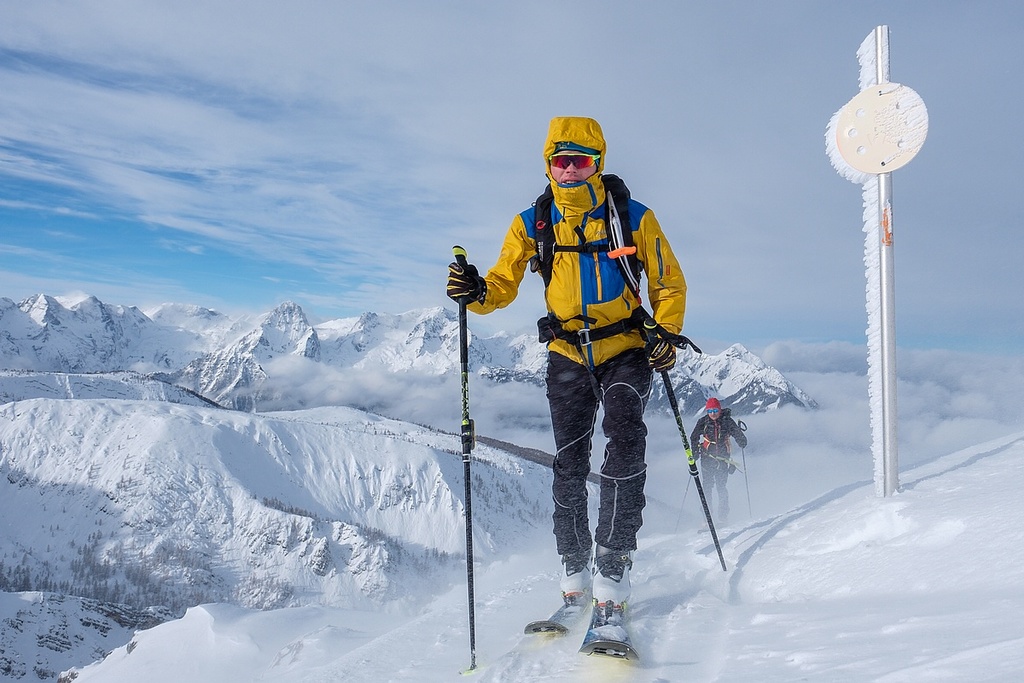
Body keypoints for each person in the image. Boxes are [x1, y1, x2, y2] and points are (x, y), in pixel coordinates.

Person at [446, 116, 687, 613]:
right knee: (569, 461)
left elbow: (668, 281)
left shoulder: (634, 217)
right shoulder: (533, 221)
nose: (571, 169)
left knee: (624, 444)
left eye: (581, 160)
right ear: (548, 164)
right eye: (562, 160)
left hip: (625, 348)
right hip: (566, 353)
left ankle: (613, 570)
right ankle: (574, 569)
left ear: (597, 162)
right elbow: (502, 282)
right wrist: (477, 292)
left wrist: (664, 331)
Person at [690, 397, 747, 524]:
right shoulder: (703, 422)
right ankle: (707, 518)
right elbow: (694, 436)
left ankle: (723, 517)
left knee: (721, 487)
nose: (713, 413)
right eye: (710, 410)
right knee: (707, 488)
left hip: (722, 460)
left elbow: (736, 432)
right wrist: (694, 452)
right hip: (707, 459)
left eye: (715, 410)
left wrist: (741, 440)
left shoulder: (726, 421)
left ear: (720, 410)